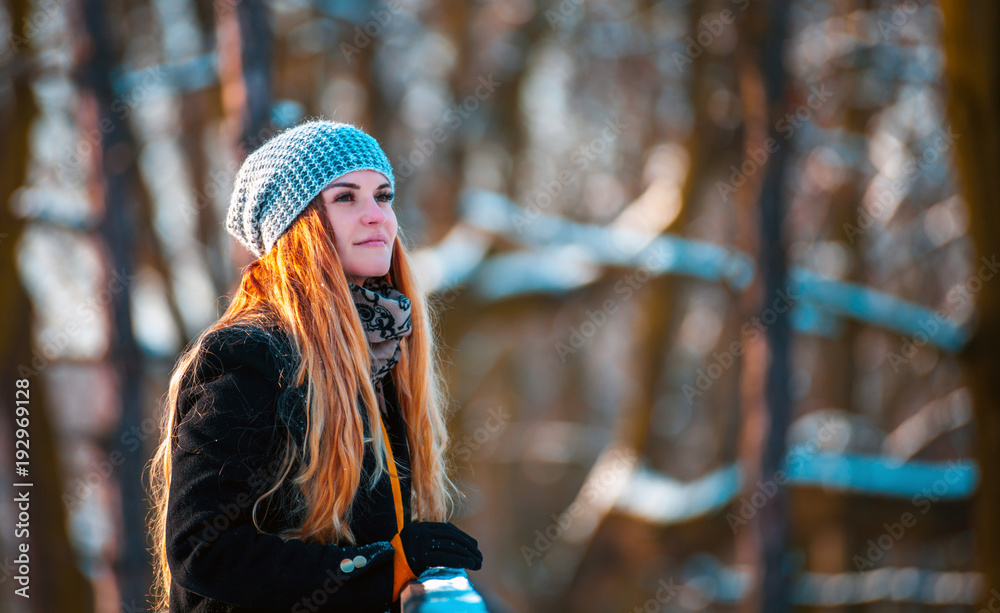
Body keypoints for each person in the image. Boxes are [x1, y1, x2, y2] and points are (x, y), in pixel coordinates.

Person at [146, 120, 483, 613]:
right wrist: (388, 568)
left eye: (383, 196)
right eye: (346, 198)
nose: (377, 217)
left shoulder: (379, 354)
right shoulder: (250, 357)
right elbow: (203, 551)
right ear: (297, 226)